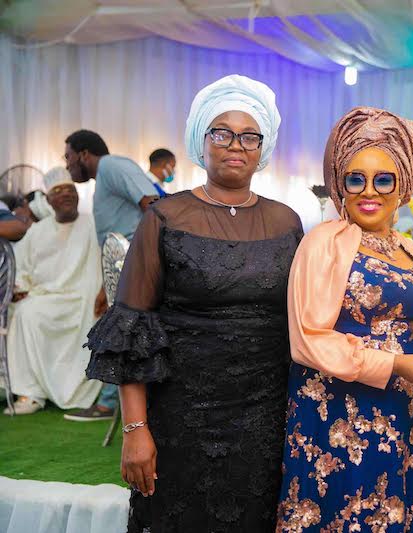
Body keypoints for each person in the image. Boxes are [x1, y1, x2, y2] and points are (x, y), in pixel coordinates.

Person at [85, 74, 302, 532]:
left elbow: (300, 318)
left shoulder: (286, 222)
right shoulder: (164, 217)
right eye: (221, 133)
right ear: (201, 142)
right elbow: (131, 331)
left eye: (249, 135)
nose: (235, 145)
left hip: (264, 416)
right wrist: (135, 429)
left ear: (263, 148)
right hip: (181, 412)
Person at [277, 107, 413, 532]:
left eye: (383, 179)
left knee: (397, 509)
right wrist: (393, 364)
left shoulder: (410, 250)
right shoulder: (324, 242)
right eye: (356, 178)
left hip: (404, 408)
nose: (368, 191)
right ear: (340, 184)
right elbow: (307, 339)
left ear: (404, 186)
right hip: (339, 414)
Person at [64, 129, 159, 421]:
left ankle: (109, 405)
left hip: (136, 267)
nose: (67, 165)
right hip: (121, 270)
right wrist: (105, 288)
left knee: (123, 333)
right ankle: (110, 403)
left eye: (68, 157)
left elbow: (152, 205)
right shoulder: (102, 179)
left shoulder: (113, 165)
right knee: (116, 331)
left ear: (83, 154)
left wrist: (143, 261)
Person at [3, 168, 103, 415]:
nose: (66, 195)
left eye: (70, 190)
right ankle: (30, 393)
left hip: (84, 299)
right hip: (45, 297)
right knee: (25, 313)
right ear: (48, 200)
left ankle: (77, 391)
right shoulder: (38, 230)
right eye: (58, 191)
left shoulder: (95, 224)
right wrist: (21, 288)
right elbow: (22, 266)